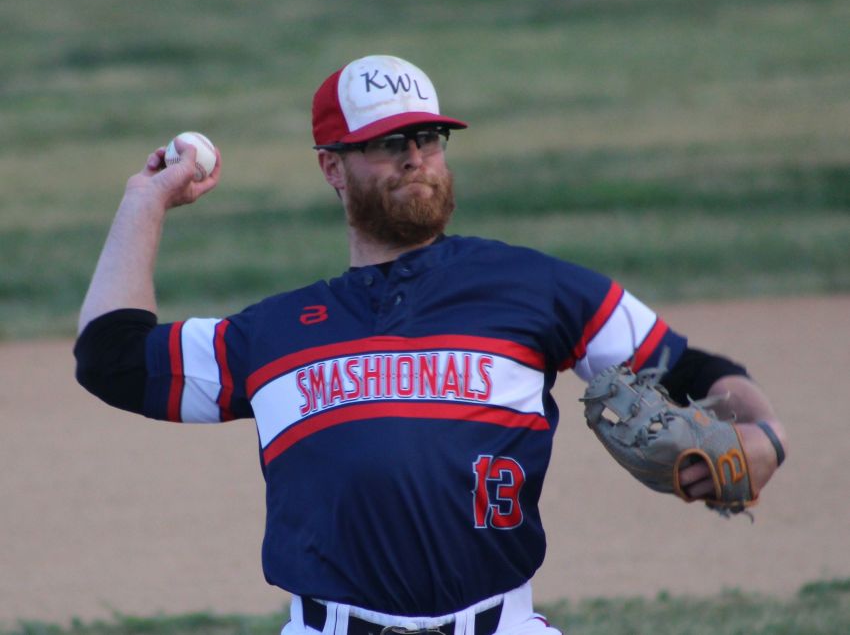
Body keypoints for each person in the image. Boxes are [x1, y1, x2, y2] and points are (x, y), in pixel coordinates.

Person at [75, 55, 787, 635]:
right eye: (389, 144)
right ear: (332, 167)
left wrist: (764, 437)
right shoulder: (274, 333)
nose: (415, 158)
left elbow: (694, 369)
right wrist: (145, 200)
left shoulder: (533, 289)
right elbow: (111, 359)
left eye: (429, 138)